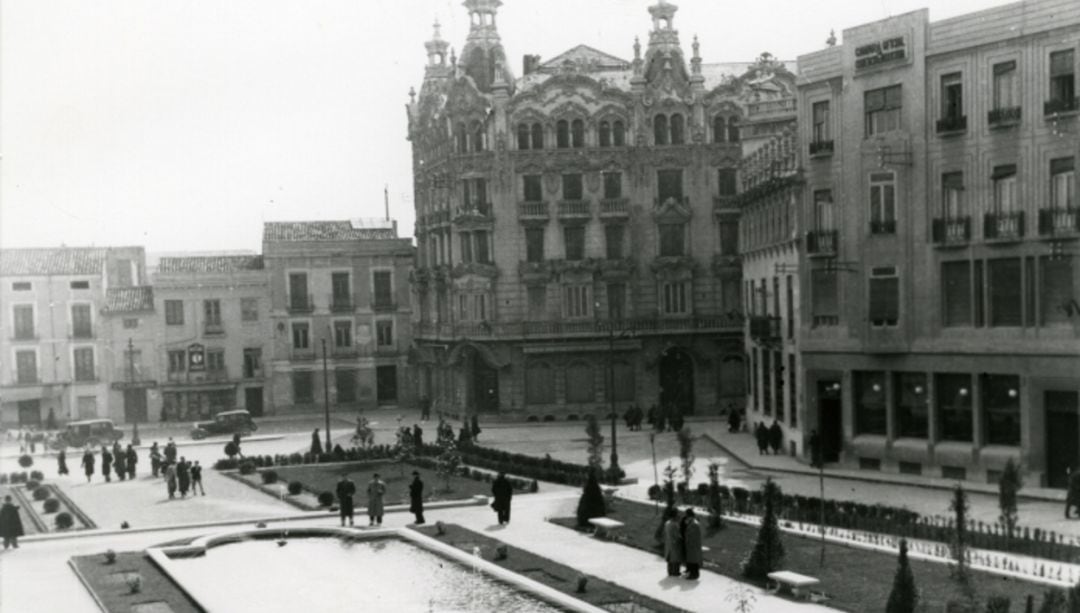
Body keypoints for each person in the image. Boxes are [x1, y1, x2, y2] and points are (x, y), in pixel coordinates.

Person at [681, 509, 703, 580]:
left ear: (690, 516)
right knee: (692, 560)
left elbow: (692, 536)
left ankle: (694, 574)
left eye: (687, 516)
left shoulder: (694, 524)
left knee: (693, 560)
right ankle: (692, 573)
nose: (687, 518)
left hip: (693, 546)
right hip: (691, 545)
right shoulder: (692, 523)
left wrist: (688, 542)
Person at [662, 509, 684, 577]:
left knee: (669, 558)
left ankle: (670, 571)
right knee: (675, 558)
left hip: (668, 542)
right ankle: (675, 572)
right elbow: (677, 535)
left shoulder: (667, 523)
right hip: (675, 543)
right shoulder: (674, 524)